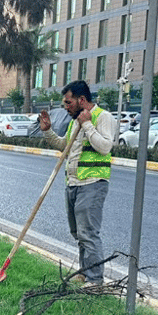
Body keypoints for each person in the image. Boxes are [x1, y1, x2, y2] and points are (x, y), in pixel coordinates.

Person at [38, 80, 118, 285]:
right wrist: (48, 131)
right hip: (73, 183)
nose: (65, 107)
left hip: (92, 183)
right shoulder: (75, 121)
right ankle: (84, 272)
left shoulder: (103, 117)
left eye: (68, 102)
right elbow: (65, 146)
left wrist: (88, 124)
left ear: (81, 100)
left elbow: (105, 147)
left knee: (88, 233)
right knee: (78, 233)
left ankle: (95, 280)